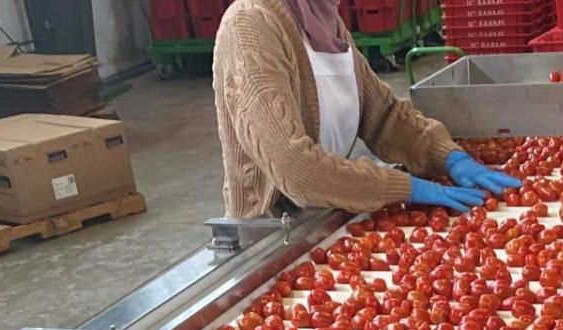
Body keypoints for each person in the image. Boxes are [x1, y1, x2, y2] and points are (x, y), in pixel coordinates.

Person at [212, 0, 521, 220]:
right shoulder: (250, 26)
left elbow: (383, 115)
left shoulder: (324, 19)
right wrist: (404, 187)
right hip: (271, 232)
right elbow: (297, 170)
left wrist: (447, 156)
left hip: (328, 213)